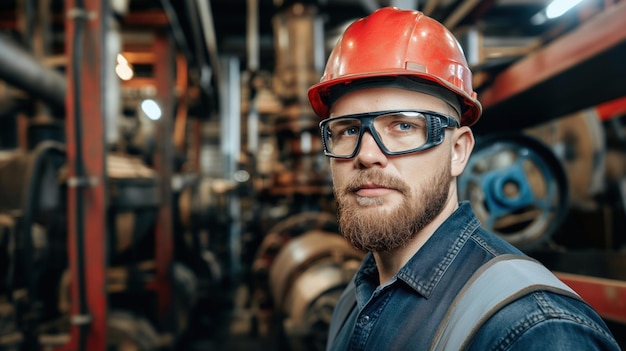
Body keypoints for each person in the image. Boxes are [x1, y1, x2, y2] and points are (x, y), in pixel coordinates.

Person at [307, 6, 621, 351]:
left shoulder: (535, 331)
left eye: (403, 126)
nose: (366, 154)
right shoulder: (355, 300)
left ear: (458, 151)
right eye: (348, 129)